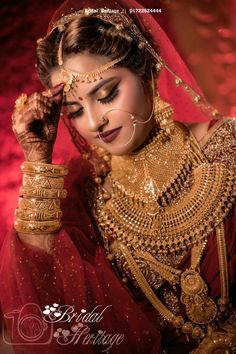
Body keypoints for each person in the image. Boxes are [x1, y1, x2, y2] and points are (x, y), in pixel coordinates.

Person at [0, 0, 236, 353]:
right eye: (75, 110)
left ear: (148, 71)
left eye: (107, 94)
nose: (95, 122)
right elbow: (41, 290)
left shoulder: (227, 148)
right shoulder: (85, 196)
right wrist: (38, 159)